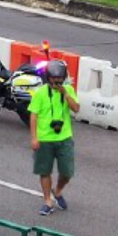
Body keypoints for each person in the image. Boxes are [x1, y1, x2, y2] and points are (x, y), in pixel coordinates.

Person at [29, 61, 79, 216]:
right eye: (54, 79)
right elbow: (33, 116)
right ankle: (48, 201)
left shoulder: (69, 90)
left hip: (64, 138)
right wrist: (34, 138)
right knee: (45, 171)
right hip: (45, 139)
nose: (57, 82)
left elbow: (76, 109)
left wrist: (65, 93)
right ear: (48, 78)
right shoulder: (40, 93)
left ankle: (57, 191)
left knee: (67, 172)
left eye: (60, 79)